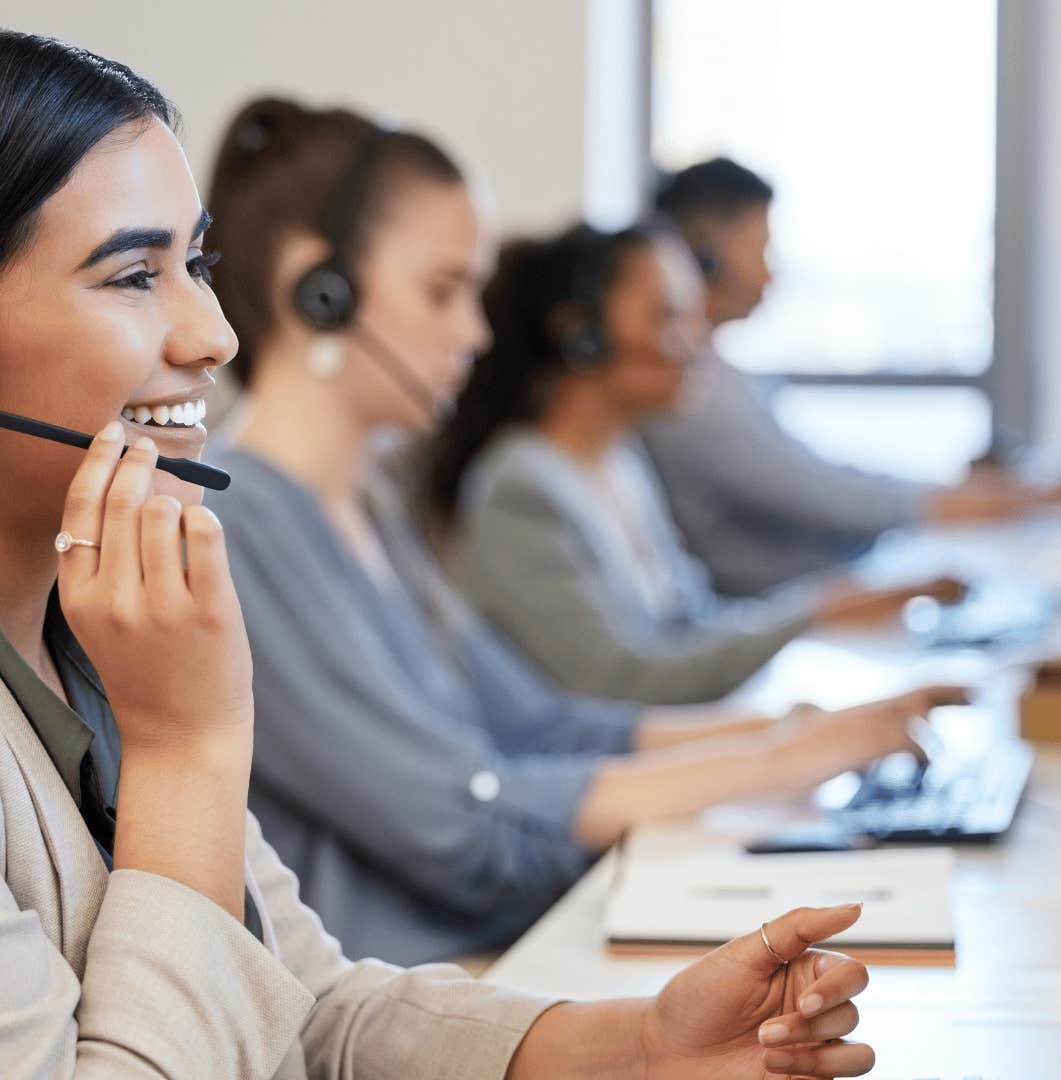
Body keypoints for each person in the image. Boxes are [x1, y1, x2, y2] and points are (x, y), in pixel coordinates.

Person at [0, 31, 881, 1079]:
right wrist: (189, 753)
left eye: (196, 262)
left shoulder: (79, 615)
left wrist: (630, 1046)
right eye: (133, 274)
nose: (211, 333)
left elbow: (299, 1009)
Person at [200, 98, 962, 966]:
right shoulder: (239, 527)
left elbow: (541, 724)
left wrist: (785, 732)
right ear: (319, 291)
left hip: (502, 949)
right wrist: (770, 766)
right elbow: (461, 824)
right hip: (417, 990)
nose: (475, 333)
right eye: (444, 291)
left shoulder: (367, 503)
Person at [424, 222, 963, 705]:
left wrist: (830, 608)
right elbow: (619, 683)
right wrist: (811, 618)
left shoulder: (619, 459)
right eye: (667, 316)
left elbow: (692, 623)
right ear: (580, 335)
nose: (696, 340)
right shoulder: (522, 489)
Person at [641, 155, 1061, 596]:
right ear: (704, 259)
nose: (770, 273)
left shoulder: (717, 375)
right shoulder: (690, 393)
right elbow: (824, 495)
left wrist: (979, 495)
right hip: (790, 613)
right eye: (761, 249)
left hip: (818, 597)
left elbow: (821, 478)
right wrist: (1000, 500)